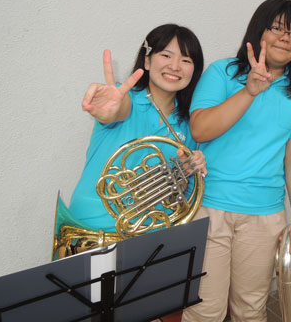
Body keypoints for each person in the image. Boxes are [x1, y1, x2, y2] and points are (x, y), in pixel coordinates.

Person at [182, 0, 291, 322]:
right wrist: (249, 91)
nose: (285, 38)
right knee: (204, 311)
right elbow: (200, 128)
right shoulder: (223, 72)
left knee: (251, 309)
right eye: (277, 28)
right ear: (259, 31)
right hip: (209, 207)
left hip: (264, 215)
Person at [68, 24, 207, 235]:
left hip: (148, 235)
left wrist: (187, 172)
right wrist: (111, 108)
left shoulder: (189, 126)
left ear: (194, 71)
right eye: (166, 55)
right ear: (147, 61)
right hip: (90, 227)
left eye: (186, 60)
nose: (175, 66)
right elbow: (119, 110)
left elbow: (177, 199)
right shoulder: (124, 99)